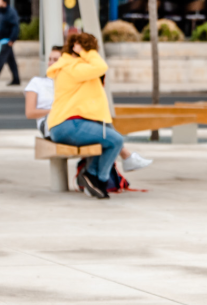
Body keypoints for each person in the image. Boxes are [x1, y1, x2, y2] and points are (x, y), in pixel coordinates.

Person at [25, 45, 152, 174]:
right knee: (100, 128)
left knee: (98, 120)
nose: (51, 63)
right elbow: (30, 113)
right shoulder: (38, 82)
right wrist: (58, 109)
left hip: (71, 120)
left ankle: (98, 173)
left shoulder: (71, 79)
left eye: (56, 59)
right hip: (51, 123)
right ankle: (125, 157)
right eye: (50, 59)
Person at [46, 33, 125, 199]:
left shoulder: (74, 66)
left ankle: (93, 177)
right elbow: (101, 66)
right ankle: (97, 178)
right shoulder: (72, 67)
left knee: (106, 140)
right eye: (91, 49)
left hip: (69, 124)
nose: (93, 52)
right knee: (115, 140)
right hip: (68, 124)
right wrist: (87, 51)